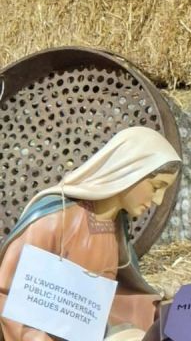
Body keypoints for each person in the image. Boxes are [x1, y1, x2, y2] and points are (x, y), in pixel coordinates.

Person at [0, 126, 181, 341]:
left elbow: (106, 301)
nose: (158, 200)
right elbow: (7, 293)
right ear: (130, 171)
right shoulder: (56, 219)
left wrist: (159, 309)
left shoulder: (115, 229)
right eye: (156, 186)